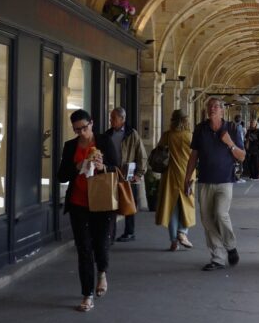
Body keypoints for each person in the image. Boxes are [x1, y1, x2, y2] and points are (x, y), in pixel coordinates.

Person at [57, 108, 112, 312]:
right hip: (79, 203)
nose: (81, 133)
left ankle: (103, 272)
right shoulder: (70, 146)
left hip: (102, 202)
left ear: (92, 123)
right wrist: (77, 165)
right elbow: (61, 176)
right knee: (83, 249)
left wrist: (102, 167)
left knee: (101, 243)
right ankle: (87, 294)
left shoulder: (104, 142)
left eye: (84, 128)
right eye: (76, 130)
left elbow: (116, 167)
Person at [183, 97, 246, 270]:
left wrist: (230, 143)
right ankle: (217, 257)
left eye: (216, 106)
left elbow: (242, 156)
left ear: (222, 110)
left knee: (220, 214)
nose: (212, 109)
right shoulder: (200, 129)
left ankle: (230, 246)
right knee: (207, 219)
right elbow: (194, 155)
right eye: (210, 106)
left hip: (225, 180)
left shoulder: (232, 128)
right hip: (204, 180)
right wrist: (187, 177)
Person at [101, 107, 147, 242]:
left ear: (122, 119)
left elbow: (142, 155)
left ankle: (129, 232)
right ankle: (111, 233)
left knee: (128, 203)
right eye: (110, 118)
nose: (111, 121)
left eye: (113, 118)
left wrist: (139, 174)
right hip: (111, 174)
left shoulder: (132, 134)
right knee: (111, 204)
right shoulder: (107, 134)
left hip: (127, 175)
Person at [155, 109, 195, 250]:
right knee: (187, 206)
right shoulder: (190, 137)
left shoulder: (167, 136)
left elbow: (159, 151)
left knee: (172, 208)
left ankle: (173, 241)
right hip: (187, 175)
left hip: (170, 175)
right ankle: (182, 233)